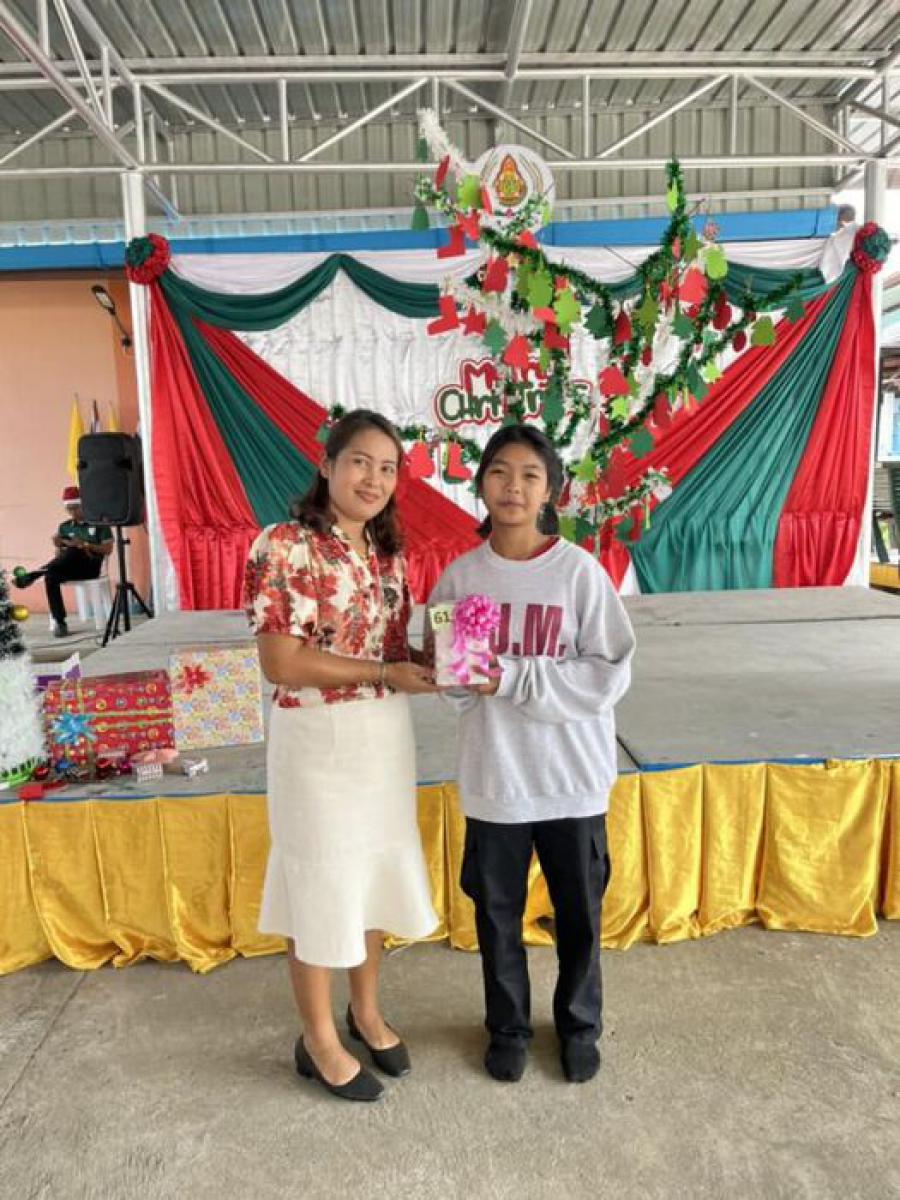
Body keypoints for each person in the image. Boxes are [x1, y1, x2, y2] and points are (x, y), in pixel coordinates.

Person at [428, 425, 635, 1085]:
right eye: (499, 472)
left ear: (550, 491)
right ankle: (508, 1028)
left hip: (571, 779)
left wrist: (514, 677)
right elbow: (456, 689)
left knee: (579, 917)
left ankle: (578, 1026)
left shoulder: (578, 573)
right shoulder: (461, 578)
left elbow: (608, 673)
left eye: (529, 475)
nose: (512, 487)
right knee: (496, 919)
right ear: (481, 483)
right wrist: (446, 670)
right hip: (496, 780)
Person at [243, 409, 439, 1104]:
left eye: (388, 468)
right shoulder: (284, 545)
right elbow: (281, 662)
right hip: (316, 745)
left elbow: (392, 650)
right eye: (360, 461)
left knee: (372, 878)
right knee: (321, 884)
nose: (373, 479)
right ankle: (319, 1039)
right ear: (327, 465)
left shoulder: (388, 553)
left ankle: (366, 1012)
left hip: (383, 739)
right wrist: (385, 672)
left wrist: (444, 656)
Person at [13, 485, 112, 637]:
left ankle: (33, 575)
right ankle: (60, 622)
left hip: (90, 567)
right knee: (51, 576)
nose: (72, 512)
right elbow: (59, 556)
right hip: (69, 566)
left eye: (75, 508)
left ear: (83, 505)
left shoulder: (99, 523)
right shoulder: (65, 527)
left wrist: (85, 545)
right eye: (69, 509)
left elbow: (107, 549)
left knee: (74, 550)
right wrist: (58, 546)